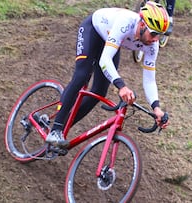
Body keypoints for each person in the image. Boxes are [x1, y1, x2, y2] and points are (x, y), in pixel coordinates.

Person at [45, 1, 170, 147]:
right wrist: (121, 86)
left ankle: (64, 128)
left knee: (99, 91)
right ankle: (56, 129)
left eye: (160, 36)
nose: (156, 40)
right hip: (93, 30)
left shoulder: (152, 45)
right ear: (142, 25)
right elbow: (105, 59)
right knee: (82, 75)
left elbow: (149, 80)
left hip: (110, 41)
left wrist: (156, 108)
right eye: (154, 34)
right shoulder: (126, 23)